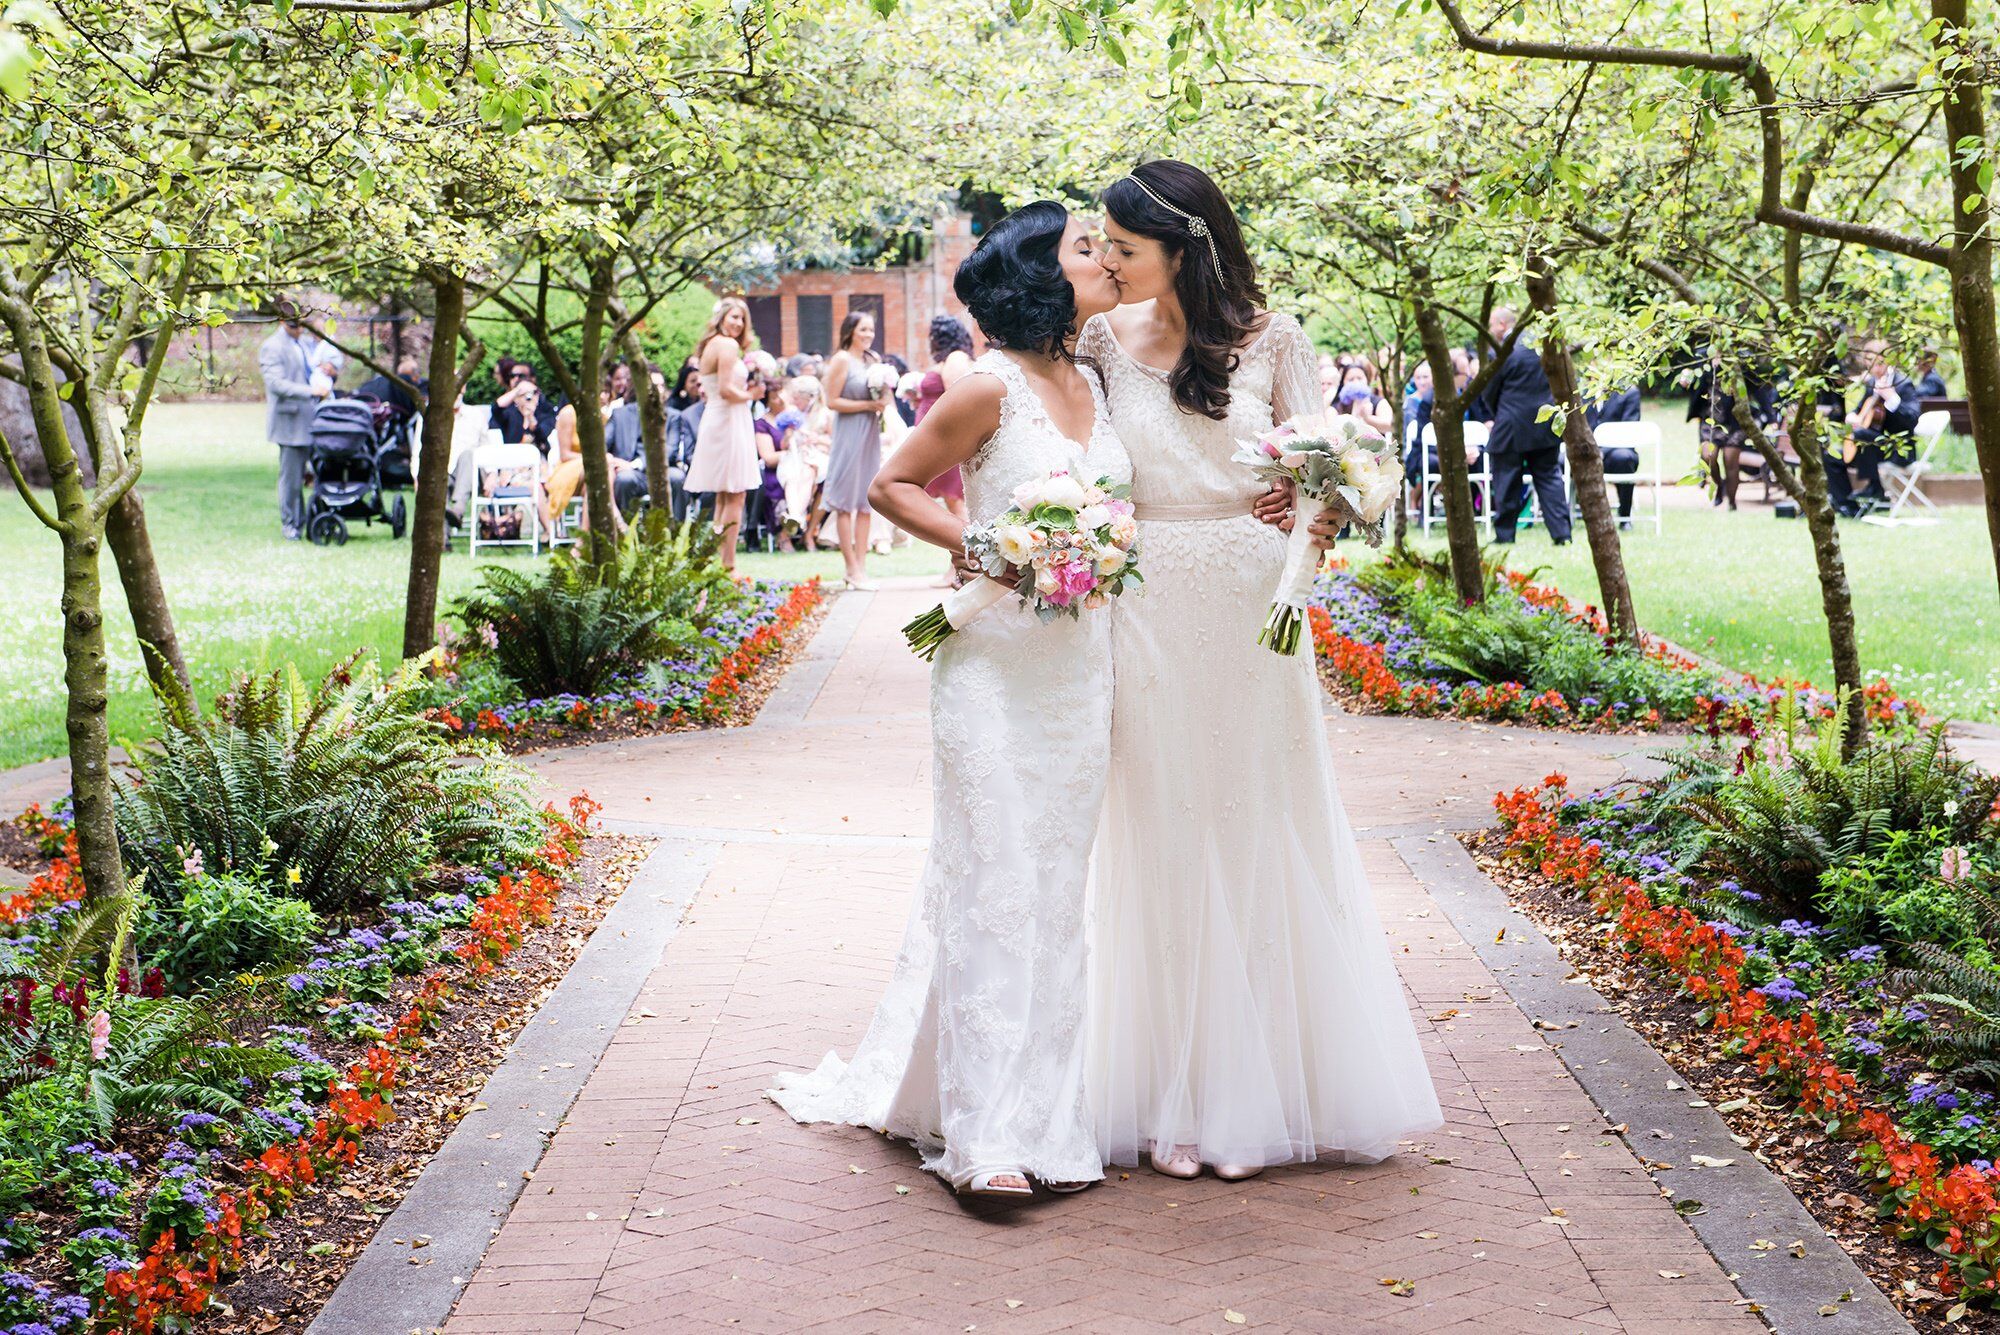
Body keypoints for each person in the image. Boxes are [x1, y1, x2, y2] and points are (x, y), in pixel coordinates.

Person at [1082, 159, 1441, 1181]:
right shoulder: (1100, 341)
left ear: (1183, 251)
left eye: (1125, 247)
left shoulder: (1270, 336)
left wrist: (1312, 514)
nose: (1107, 262)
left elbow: (1352, 466)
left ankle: (1252, 1090)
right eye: (1101, 245)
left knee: (1251, 816)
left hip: (1252, 602)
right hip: (1143, 600)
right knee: (1160, 822)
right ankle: (1167, 1089)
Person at [771, 202, 1131, 1198]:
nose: (1099, 256)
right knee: (995, 885)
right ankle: (981, 1141)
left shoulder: (1099, 381)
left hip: (1078, 673)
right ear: (1041, 279)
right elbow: (892, 485)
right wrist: (983, 550)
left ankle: (1044, 1117)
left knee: (1055, 897)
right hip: (992, 673)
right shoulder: (985, 389)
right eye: (1081, 247)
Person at [1473, 307, 1571, 544]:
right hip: (1544, 424)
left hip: (1510, 425)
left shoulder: (1504, 352)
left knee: (1506, 480)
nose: (1490, 331)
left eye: (1492, 325)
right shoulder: (1543, 348)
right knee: (1549, 478)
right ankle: (1562, 534)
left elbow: (1489, 389)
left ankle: (1505, 535)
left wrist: (1500, 413)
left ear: (1503, 325)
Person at [684, 297, 763, 569]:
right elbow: (728, 390)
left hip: (719, 417)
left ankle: (717, 562)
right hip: (728, 419)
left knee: (724, 495)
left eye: (742, 319)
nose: (738, 324)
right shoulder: (727, 345)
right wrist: (752, 394)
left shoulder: (711, 345)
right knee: (736, 494)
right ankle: (728, 566)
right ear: (720, 318)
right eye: (733, 317)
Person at [821, 311, 888, 589]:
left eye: (871, 330)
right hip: (848, 433)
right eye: (863, 330)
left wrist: (883, 398)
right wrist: (867, 406)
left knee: (865, 502)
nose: (868, 335)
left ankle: (862, 566)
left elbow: (885, 396)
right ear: (850, 332)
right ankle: (850, 568)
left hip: (870, 432)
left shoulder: (873, 360)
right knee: (845, 502)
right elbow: (832, 401)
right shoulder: (841, 360)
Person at [259, 302, 331, 539]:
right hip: (290, 423)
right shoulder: (272, 347)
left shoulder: (303, 343)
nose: (299, 329)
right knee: (291, 480)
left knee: (318, 474)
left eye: (301, 325)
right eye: (294, 325)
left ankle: (313, 520)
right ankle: (291, 526)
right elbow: (277, 385)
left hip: (313, 420)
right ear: (282, 322)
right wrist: (311, 391)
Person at [1831, 339, 1921, 517]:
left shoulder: (1902, 383)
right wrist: (1852, 417)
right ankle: (1847, 505)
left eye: (1878, 364)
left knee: (1862, 435)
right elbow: (1858, 411)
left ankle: (1875, 489)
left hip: (1895, 449)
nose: (1874, 369)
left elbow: (1912, 420)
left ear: (1888, 361)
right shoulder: (1872, 383)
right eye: (1869, 364)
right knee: (1831, 456)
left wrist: (1893, 400)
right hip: (1868, 449)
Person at [774, 375, 830, 546]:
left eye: (798, 398)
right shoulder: (791, 415)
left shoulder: (825, 414)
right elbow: (783, 445)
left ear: (810, 398)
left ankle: (794, 520)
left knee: (808, 471)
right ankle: (797, 517)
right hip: (793, 456)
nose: (794, 401)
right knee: (792, 477)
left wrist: (815, 439)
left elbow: (834, 442)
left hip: (816, 457)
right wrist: (788, 436)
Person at [1586, 384, 1643, 526]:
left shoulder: (1629, 392)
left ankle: (1625, 516)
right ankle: (1573, 513)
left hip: (1615, 451)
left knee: (1624, 458)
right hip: (1585, 452)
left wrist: (1601, 451)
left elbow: (1629, 431)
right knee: (1561, 460)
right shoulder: (1580, 391)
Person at [493, 366, 556, 453]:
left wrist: (530, 417)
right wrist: (517, 390)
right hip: (512, 461)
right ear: (515, 398)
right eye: (523, 394)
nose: (529, 397)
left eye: (533, 393)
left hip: (540, 461)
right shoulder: (509, 414)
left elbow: (545, 441)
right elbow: (496, 408)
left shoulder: (546, 412)